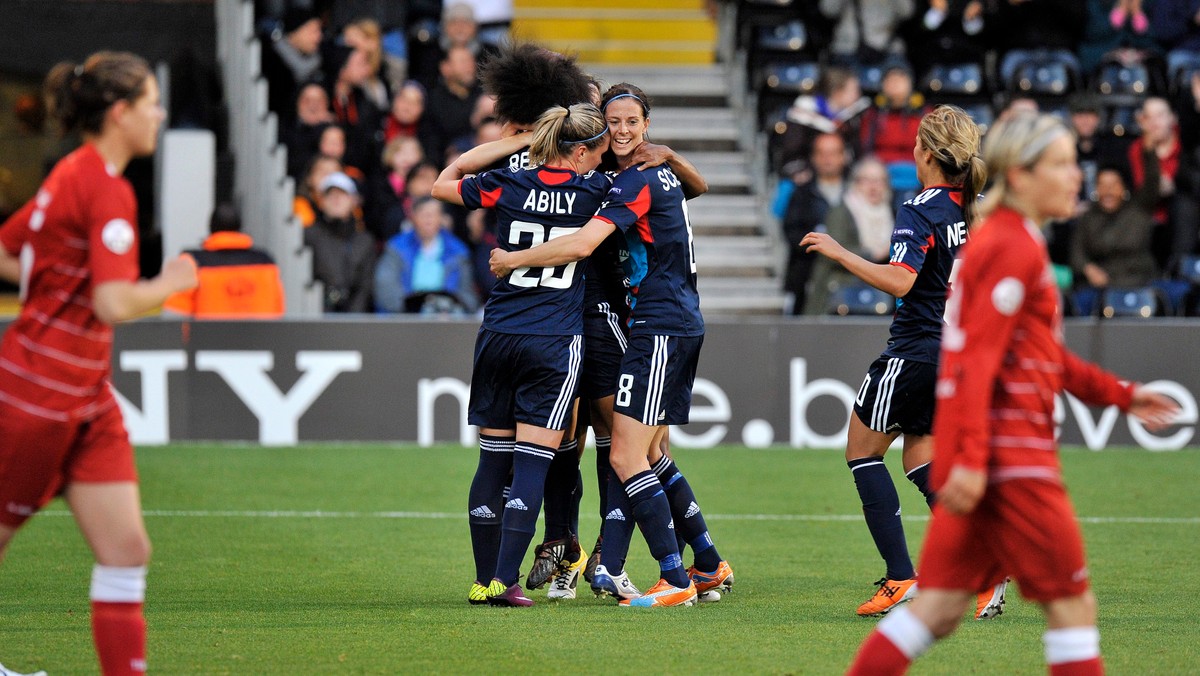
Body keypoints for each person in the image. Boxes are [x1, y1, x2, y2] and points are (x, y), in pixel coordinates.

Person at [846, 112, 1179, 676]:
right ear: (1020, 175)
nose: (1078, 176)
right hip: (1016, 466)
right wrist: (974, 459)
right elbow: (973, 363)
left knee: (936, 610)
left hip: (993, 459)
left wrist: (1122, 396)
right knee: (1072, 610)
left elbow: (1036, 355)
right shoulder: (1007, 245)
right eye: (1062, 164)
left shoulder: (1013, 238)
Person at [491, 83, 733, 608]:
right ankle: (704, 564)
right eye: (613, 122)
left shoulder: (636, 179)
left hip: (652, 322)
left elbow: (583, 242)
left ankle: (660, 572)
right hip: (650, 320)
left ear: (647, 124)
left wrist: (511, 259)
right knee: (642, 451)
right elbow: (695, 186)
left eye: (632, 122)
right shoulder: (632, 174)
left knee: (627, 451)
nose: (622, 131)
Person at [0, 51, 198, 676]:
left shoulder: (72, 172)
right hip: (38, 397)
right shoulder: (106, 188)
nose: (159, 115)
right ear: (120, 113)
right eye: (150, 103)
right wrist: (171, 280)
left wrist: (53, 278)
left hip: (86, 398)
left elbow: (12, 252)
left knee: (126, 547)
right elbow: (113, 302)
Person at [801, 105, 1006, 620]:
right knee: (921, 462)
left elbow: (901, 281)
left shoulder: (922, 207)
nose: (911, 152)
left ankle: (900, 577)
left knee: (861, 452)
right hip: (955, 354)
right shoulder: (973, 209)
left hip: (914, 351)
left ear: (931, 154)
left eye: (917, 144)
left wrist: (839, 253)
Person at [431, 102, 612, 607]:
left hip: (499, 333)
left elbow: (445, 181)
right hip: (553, 340)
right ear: (578, 152)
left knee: (492, 464)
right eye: (595, 152)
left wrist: (517, 142)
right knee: (532, 465)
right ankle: (503, 582)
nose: (600, 161)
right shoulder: (596, 191)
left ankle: (481, 577)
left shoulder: (511, 184)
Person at [805, 156, 895, 316]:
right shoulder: (842, 210)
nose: (873, 187)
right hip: (840, 292)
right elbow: (831, 252)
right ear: (856, 182)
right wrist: (872, 254)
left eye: (879, 181)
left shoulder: (892, 212)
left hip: (878, 294)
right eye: (867, 180)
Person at [162, 203, 285, 319]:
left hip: (208, 340)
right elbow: (278, 309)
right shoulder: (266, 263)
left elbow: (175, 315)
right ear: (239, 227)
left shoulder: (191, 263)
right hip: (261, 340)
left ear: (211, 227)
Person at [373, 196, 478, 314]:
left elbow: (467, 295)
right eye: (424, 214)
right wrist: (413, 310)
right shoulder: (396, 248)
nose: (429, 220)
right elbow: (385, 289)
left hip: (446, 319)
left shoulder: (458, 251)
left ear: (442, 218)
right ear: (413, 217)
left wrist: (449, 308)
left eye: (433, 214)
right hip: (405, 318)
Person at [782, 132, 850, 314]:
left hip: (850, 276)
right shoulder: (801, 194)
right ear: (813, 157)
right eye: (822, 153)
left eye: (833, 153)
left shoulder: (855, 192)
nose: (827, 159)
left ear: (843, 157)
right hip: (807, 277)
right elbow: (791, 232)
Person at [305, 171, 376, 313]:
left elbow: (365, 287)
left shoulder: (364, 241)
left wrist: (352, 320)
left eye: (342, 194)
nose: (336, 199)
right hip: (315, 315)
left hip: (354, 322)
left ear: (353, 201)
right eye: (330, 194)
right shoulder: (307, 235)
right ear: (321, 201)